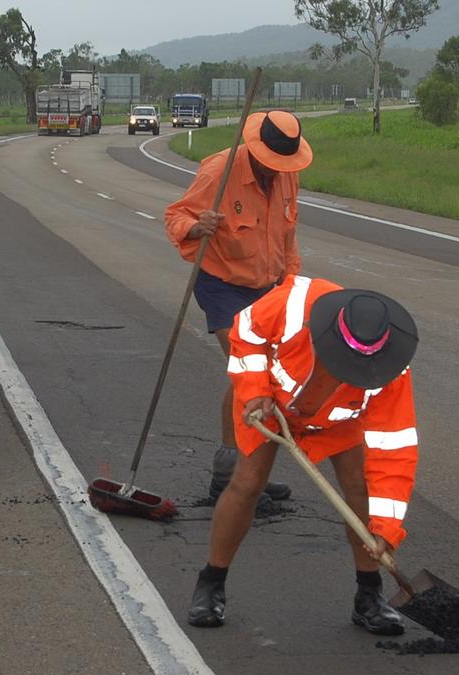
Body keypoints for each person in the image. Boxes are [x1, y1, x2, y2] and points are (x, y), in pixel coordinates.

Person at [186, 275, 420, 636]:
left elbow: (394, 449)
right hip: (267, 404)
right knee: (248, 483)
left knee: (361, 488)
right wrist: (254, 389)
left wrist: (387, 529)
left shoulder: (390, 368)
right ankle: (211, 582)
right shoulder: (293, 304)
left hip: (337, 419)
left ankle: (369, 595)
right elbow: (246, 332)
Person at [164, 110, 312, 503]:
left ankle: (250, 475)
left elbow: (288, 235)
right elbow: (175, 215)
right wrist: (196, 227)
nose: (276, 170)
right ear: (256, 149)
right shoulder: (219, 172)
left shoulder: (287, 176)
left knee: (264, 380)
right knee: (251, 374)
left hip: (267, 286)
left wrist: (291, 286)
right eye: (270, 162)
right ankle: (229, 481)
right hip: (222, 284)